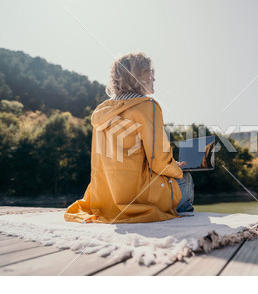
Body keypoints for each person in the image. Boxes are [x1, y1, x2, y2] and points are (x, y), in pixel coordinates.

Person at [64, 52, 194, 224]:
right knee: (187, 180)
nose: (153, 77)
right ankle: (183, 219)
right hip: (137, 198)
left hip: (103, 200)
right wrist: (176, 169)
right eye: (149, 71)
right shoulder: (147, 106)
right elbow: (159, 162)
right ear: (138, 77)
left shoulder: (102, 111)